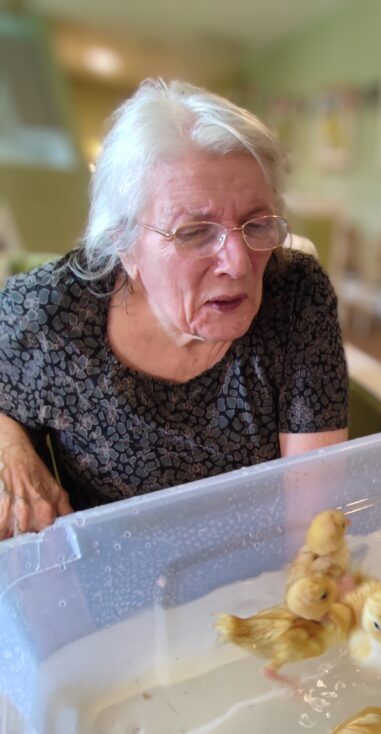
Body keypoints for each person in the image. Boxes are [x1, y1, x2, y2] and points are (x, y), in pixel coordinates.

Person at [0, 79, 348, 540]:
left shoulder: (295, 293)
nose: (239, 263)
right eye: (195, 232)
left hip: (256, 571)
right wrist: (8, 446)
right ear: (121, 244)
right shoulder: (47, 315)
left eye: (256, 223)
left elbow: (314, 527)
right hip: (111, 589)